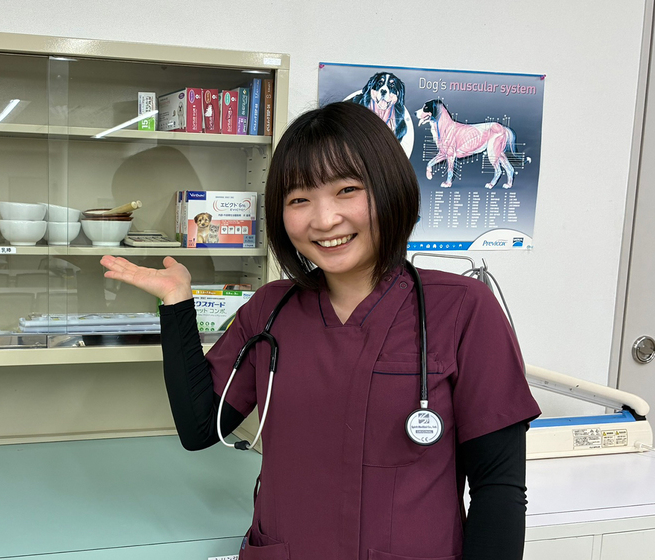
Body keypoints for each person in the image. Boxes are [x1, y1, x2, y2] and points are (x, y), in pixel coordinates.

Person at [100, 101, 541, 560]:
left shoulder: (463, 308)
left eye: (347, 190)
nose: (324, 219)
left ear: (390, 189)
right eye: (299, 199)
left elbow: (498, 487)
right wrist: (176, 304)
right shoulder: (269, 310)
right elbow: (199, 428)